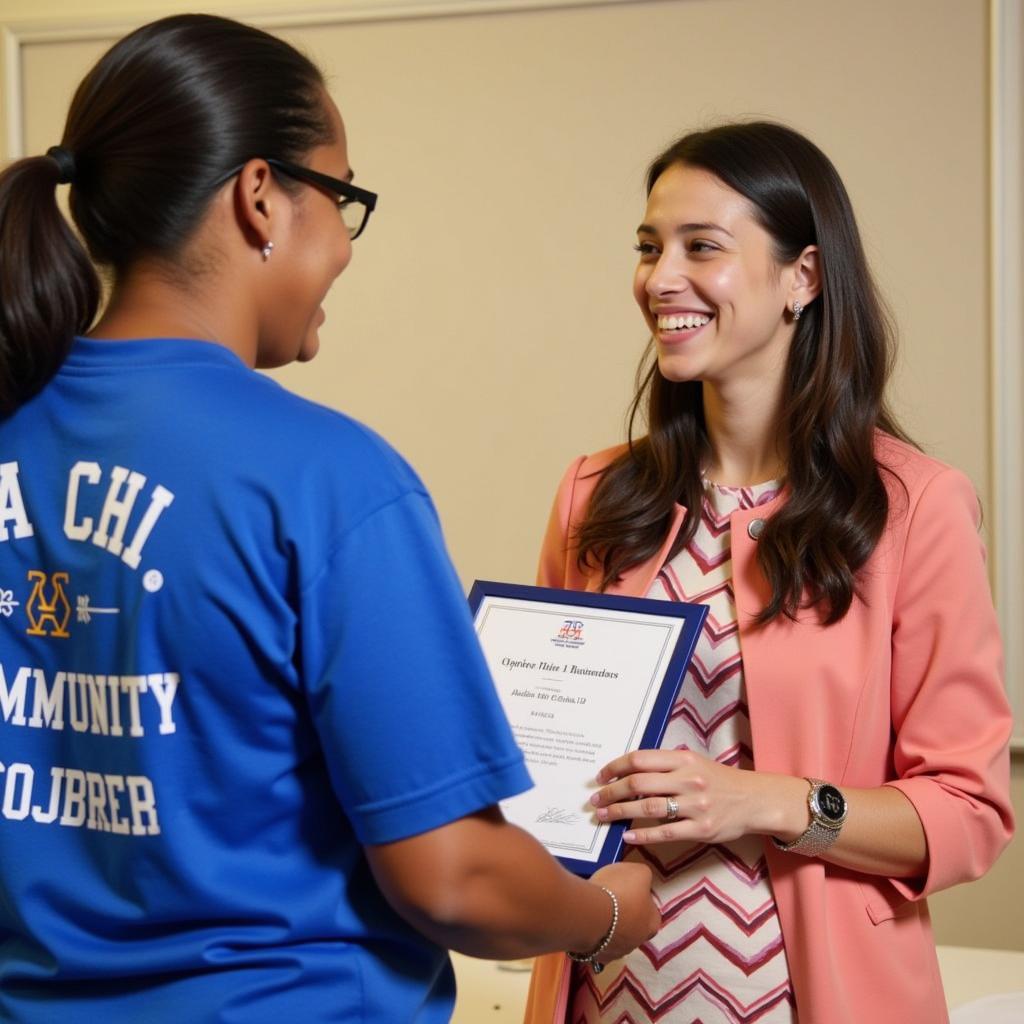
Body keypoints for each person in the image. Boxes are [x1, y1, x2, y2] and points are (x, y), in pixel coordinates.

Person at [0, 14, 661, 1023]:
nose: (345, 247)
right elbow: (453, 879)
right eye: (340, 198)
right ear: (260, 196)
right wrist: (601, 915)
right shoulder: (327, 480)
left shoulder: (15, 430)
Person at [524, 122, 1014, 1024]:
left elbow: (968, 811)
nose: (660, 278)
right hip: (609, 988)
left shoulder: (915, 506)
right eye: (649, 247)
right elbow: (550, 764)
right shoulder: (594, 496)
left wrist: (767, 801)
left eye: (701, 247)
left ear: (805, 277)